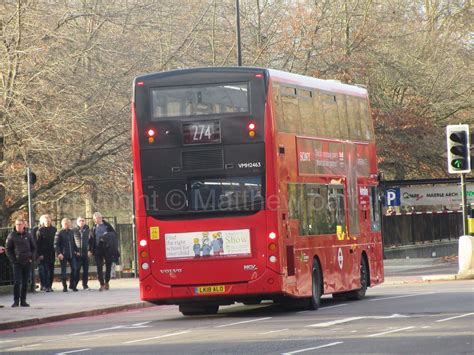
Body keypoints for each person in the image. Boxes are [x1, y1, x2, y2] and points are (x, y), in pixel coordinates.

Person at [5, 218, 36, 307]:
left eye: (20, 224)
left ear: (24, 225)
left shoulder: (28, 235)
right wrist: (13, 260)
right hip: (17, 262)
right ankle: (16, 301)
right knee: (17, 282)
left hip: (27, 261)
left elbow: (34, 247)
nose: (18, 226)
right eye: (17, 224)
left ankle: (23, 300)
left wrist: (31, 258)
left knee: (25, 282)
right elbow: (8, 249)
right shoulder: (12, 235)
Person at [89, 212, 119, 291]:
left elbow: (114, 235)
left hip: (107, 249)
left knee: (108, 266)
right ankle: (101, 284)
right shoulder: (93, 228)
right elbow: (91, 240)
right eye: (94, 218)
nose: (96, 220)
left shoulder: (107, 226)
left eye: (97, 218)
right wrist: (90, 250)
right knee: (99, 267)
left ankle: (107, 282)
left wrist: (107, 235)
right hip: (97, 249)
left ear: (101, 218)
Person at [54, 218, 78, 292]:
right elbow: (56, 244)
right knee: (63, 271)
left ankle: (73, 285)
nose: (67, 225)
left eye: (69, 223)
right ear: (63, 224)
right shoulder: (59, 232)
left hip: (71, 254)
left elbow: (73, 243)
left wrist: (76, 251)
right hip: (63, 255)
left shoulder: (71, 232)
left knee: (74, 269)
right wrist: (59, 253)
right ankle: (64, 286)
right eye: (66, 223)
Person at [36, 214, 57, 292]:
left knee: (51, 271)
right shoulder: (40, 231)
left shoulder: (54, 229)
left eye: (48, 219)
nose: (47, 221)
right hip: (43, 253)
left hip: (51, 252)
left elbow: (56, 242)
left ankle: (50, 286)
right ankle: (45, 285)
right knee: (45, 270)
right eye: (46, 220)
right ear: (42, 222)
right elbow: (38, 243)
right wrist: (40, 254)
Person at [73, 216, 90, 290]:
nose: (81, 222)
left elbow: (91, 241)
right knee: (77, 270)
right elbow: (71, 242)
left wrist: (90, 250)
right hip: (77, 254)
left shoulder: (89, 230)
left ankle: (85, 285)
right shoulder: (73, 230)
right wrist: (75, 251)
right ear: (77, 222)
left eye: (83, 220)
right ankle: (74, 285)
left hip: (86, 253)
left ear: (85, 221)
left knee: (86, 270)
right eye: (80, 221)